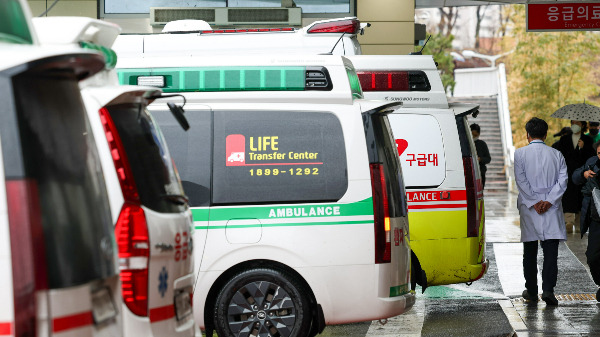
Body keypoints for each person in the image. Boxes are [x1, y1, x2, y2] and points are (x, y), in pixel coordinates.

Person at [515, 117, 567, 306]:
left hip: (530, 208)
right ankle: (548, 290)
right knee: (551, 251)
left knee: (530, 250)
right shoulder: (557, 154)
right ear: (546, 135)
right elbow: (563, 182)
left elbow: (521, 181)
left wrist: (535, 202)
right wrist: (549, 201)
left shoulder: (519, 154)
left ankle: (531, 289)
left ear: (527, 134)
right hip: (551, 208)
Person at [552, 120, 595, 233]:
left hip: (583, 175)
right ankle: (568, 222)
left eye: (577, 123)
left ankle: (580, 223)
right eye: (573, 123)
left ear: (583, 125)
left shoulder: (588, 140)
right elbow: (560, 156)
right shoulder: (564, 140)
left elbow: (591, 157)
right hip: (568, 174)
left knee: (581, 198)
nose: (575, 125)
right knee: (568, 198)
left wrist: (583, 148)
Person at [572, 141, 600, 300]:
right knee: (592, 256)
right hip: (596, 219)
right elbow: (575, 177)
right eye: (599, 153)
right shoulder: (591, 163)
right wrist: (584, 174)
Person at [470, 123, 491, 188]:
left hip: (480, 172)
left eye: (475, 135)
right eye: (472, 134)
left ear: (478, 134)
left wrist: (480, 159)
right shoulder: (466, 144)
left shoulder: (482, 144)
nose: (474, 137)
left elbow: (488, 159)